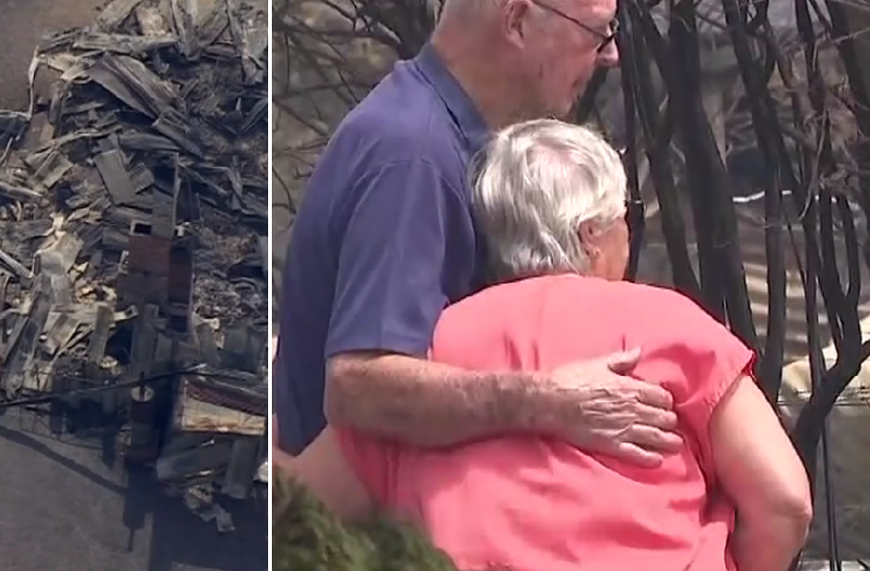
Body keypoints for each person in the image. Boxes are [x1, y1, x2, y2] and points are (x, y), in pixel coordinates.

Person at [280, 119, 813, 571]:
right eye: (622, 218)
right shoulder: (672, 327)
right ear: (590, 234)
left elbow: (302, 508)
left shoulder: (427, 353)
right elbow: (785, 502)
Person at [273, 0, 681, 465]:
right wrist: (551, 400)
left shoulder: (438, 129)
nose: (610, 55)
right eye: (596, 32)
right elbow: (359, 386)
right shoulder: (412, 155)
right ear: (518, 22)